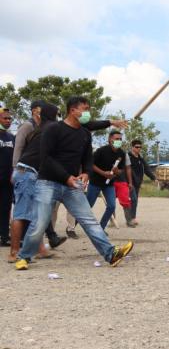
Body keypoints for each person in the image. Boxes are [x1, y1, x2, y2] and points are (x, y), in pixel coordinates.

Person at [15, 96, 133, 270]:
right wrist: (66, 177)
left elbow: (87, 158)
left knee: (89, 220)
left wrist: (86, 173)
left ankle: (110, 253)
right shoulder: (53, 129)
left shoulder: (84, 134)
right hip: (48, 182)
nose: (87, 113)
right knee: (40, 221)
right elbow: (45, 159)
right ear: (72, 110)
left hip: (72, 185)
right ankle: (24, 257)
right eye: (84, 109)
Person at [11, 100, 67, 249]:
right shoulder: (43, 128)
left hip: (32, 173)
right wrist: (14, 169)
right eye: (58, 114)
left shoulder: (42, 128)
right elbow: (18, 147)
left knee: (38, 214)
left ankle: (41, 250)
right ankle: (14, 252)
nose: (59, 117)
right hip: (25, 173)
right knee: (21, 214)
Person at [86, 129, 126, 230]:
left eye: (120, 139)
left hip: (109, 184)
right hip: (95, 182)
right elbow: (91, 164)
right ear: (110, 139)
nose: (119, 141)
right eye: (117, 139)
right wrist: (103, 173)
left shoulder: (122, 154)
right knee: (88, 206)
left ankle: (101, 228)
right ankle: (73, 226)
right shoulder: (101, 151)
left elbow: (121, 171)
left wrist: (116, 172)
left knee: (112, 206)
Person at [128, 139, 156, 227]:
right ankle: (129, 218)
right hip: (128, 183)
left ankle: (132, 218)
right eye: (137, 147)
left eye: (140, 147)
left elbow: (147, 169)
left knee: (134, 201)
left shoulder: (140, 158)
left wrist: (153, 178)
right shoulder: (127, 157)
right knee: (133, 200)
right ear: (132, 147)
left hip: (137, 183)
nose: (139, 149)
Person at [0, 107, 15, 246]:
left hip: (8, 180)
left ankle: (4, 237)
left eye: (9, 118)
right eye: (5, 118)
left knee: (5, 208)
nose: (8, 120)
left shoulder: (11, 137)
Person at [113, 151, 135, 227]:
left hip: (122, 181)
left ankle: (129, 221)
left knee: (126, 201)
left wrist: (130, 182)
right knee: (110, 202)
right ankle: (112, 221)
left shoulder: (124, 154)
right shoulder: (105, 152)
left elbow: (128, 168)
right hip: (110, 181)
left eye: (119, 139)